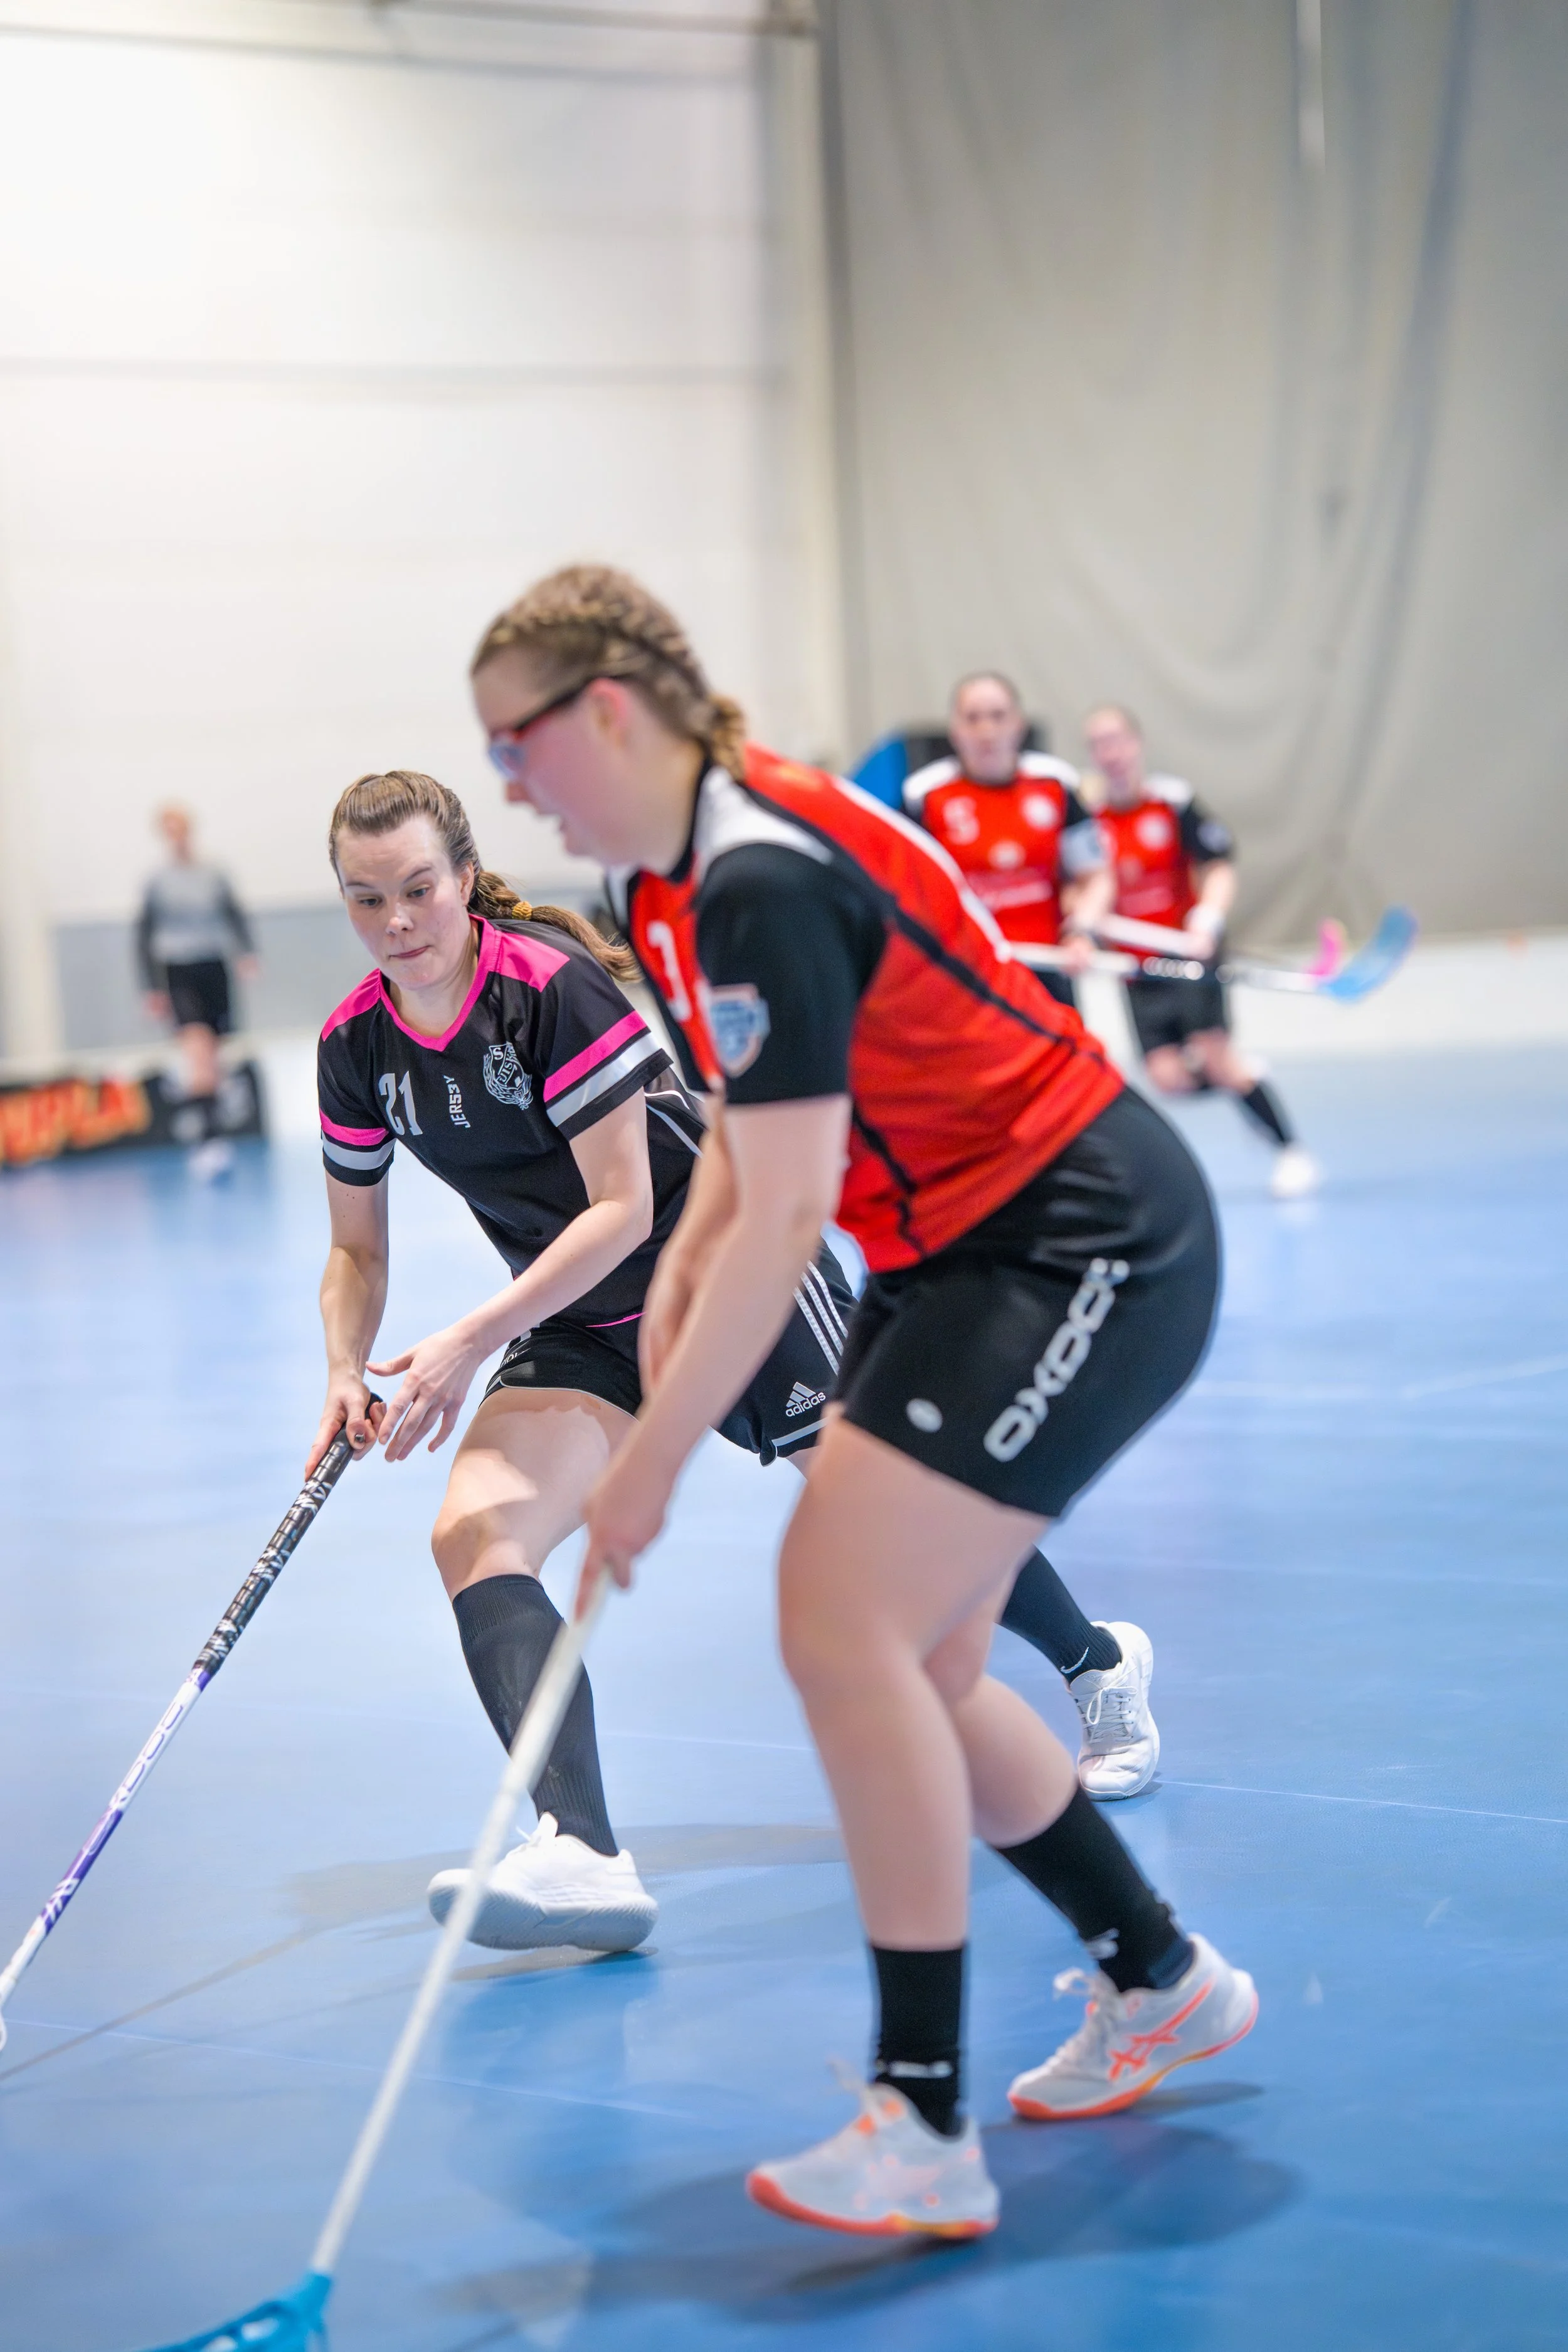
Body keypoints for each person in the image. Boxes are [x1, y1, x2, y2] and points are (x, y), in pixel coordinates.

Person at [470, 566, 1258, 2240]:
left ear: (606, 710)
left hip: (1081, 1237)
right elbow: (731, 1185)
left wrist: (651, 1461)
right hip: (944, 1246)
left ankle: (919, 2115)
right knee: (925, 1662)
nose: (509, 787)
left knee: (841, 1628)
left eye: (516, 746)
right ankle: (1155, 1968)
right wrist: (668, 1327)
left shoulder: (751, 872)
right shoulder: (661, 882)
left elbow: (784, 1205)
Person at [307, 768, 856, 1957]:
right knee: (476, 1536)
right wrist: (346, 1364)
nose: (396, 923)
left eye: (417, 891)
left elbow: (624, 1204)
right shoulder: (355, 1046)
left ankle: (1093, 1664)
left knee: (887, 1521)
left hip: (722, 1261)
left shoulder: (548, 989)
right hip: (582, 1319)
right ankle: (586, 1853)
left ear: (463, 878)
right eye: (366, 901)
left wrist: (465, 1341)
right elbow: (356, 1247)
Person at [1080, 705, 1320, 1200]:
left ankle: (1290, 1151)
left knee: (1215, 1057)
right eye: (1100, 745)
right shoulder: (1088, 820)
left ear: (1136, 743)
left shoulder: (1172, 802)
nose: (1112, 753)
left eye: (1118, 740)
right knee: (1168, 1078)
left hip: (1190, 955)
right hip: (1137, 969)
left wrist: (1206, 919)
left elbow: (1218, 866)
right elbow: (1077, 884)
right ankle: (1248, 1079)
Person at [903, 672, 1113, 1012]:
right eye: (973, 718)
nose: (986, 731)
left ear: (1019, 724)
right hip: (966, 976)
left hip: (1047, 970)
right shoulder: (924, 796)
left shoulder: (1056, 785)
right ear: (955, 730)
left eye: (998, 717)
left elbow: (1096, 876)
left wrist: (1083, 931)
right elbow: (906, 889)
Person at [136, 803, 259, 1179]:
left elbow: (234, 913)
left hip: (214, 965)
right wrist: (151, 988)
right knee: (198, 1046)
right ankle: (209, 1139)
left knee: (215, 1052)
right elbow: (142, 936)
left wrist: (247, 952)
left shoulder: (213, 872)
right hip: (178, 970)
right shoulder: (157, 880)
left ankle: (209, 1122)